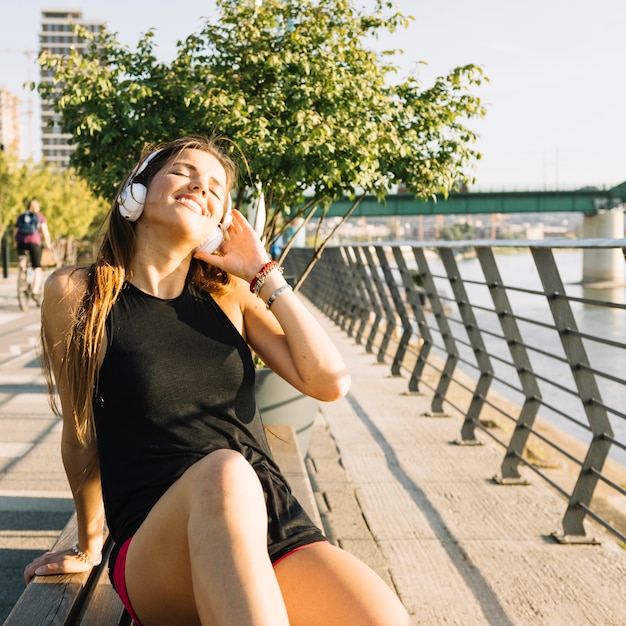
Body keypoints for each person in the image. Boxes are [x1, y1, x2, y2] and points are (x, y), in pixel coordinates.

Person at [23, 135, 414, 626]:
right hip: (158, 540)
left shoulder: (231, 295)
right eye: (184, 172)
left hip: (275, 523)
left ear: (220, 221)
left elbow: (330, 381)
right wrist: (88, 544)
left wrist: (262, 271)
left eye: (215, 188)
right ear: (137, 192)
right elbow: (80, 432)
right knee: (224, 471)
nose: (199, 187)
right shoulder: (81, 293)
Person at [14, 198, 53, 305]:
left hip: (21, 242)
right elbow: (45, 231)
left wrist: (15, 242)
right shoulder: (39, 217)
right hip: (34, 242)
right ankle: (35, 291)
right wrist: (48, 243)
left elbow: (16, 230)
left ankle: (22, 273)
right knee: (37, 267)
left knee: (22, 260)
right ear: (37, 207)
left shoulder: (21, 216)